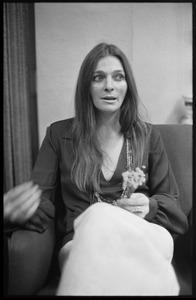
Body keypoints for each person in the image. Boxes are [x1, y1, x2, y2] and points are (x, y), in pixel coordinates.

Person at [13, 43, 188, 295]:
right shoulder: (59, 135)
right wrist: (18, 210)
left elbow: (171, 202)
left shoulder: (149, 137)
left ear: (128, 86)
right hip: (82, 244)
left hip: (142, 236)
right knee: (97, 217)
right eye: (98, 78)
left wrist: (148, 206)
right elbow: (41, 201)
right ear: (87, 86)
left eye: (118, 77)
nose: (109, 85)